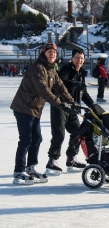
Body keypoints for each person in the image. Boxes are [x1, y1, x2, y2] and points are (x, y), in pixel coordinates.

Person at [10, 43, 75, 185]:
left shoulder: (51, 69)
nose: (52, 54)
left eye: (54, 53)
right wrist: (59, 103)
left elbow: (60, 87)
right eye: (50, 52)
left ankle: (31, 166)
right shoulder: (38, 67)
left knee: (37, 138)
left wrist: (71, 101)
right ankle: (19, 170)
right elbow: (43, 90)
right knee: (26, 139)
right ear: (44, 53)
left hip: (35, 108)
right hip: (24, 107)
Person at [46, 48, 94, 174]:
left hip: (73, 108)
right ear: (72, 58)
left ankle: (72, 158)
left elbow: (83, 93)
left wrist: (93, 106)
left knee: (78, 133)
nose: (79, 61)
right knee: (59, 134)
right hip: (60, 106)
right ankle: (52, 160)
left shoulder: (82, 73)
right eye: (77, 58)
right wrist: (75, 83)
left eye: (82, 58)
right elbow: (61, 82)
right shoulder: (66, 69)